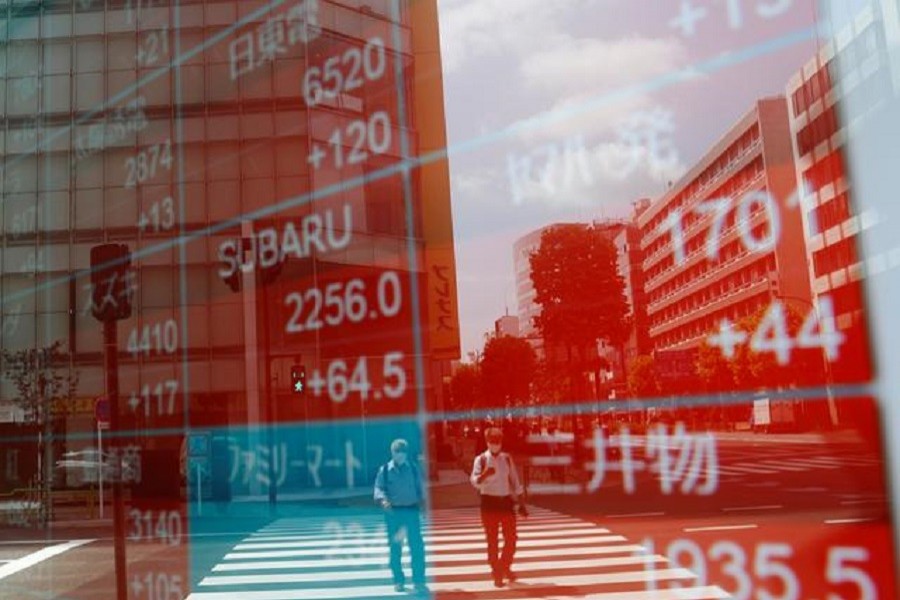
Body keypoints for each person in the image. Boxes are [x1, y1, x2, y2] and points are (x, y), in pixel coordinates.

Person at [470, 427, 528, 588]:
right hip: (489, 503)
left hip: (506, 502)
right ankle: (497, 572)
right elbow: (474, 481)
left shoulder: (507, 459)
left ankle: (504, 566)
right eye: (493, 442)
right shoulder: (480, 460)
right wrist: (485, 475)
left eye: (498, 442)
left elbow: (515, 481)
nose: (496, 445)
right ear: (488, 442)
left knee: (511, 538)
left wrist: (521, 504)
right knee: (492, 540)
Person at [373, 439, 428, 594]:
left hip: (411, 511)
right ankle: (398, 580)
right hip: (394, 513)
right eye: (397, 453)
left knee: (417, 547)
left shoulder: (413, 468)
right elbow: (378, 489)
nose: (400, 456)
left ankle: (418, 580)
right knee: (395, 548)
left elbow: (420, 488)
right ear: (392, 453)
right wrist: (383, 500)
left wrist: (423, 506)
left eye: (403, 453)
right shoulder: (384, 470)